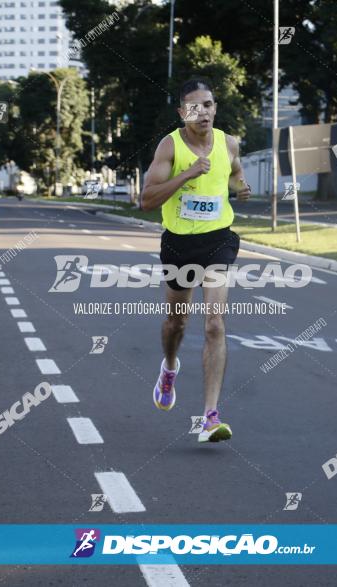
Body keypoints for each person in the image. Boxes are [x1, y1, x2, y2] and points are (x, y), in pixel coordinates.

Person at [141, 78, 251, 443]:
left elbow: (234, 172)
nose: (202, 111)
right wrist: (187, 174)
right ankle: (169, 367)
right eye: (194, 106)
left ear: (215, 108)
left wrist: (240, 186)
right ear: (182, 112)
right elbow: (147, 200)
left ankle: (210, 418)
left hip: (218, 240)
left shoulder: (229, 142)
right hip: (178, 244)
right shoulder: (170, 146)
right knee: (177, 322)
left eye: (208, 104)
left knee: (215, 324)